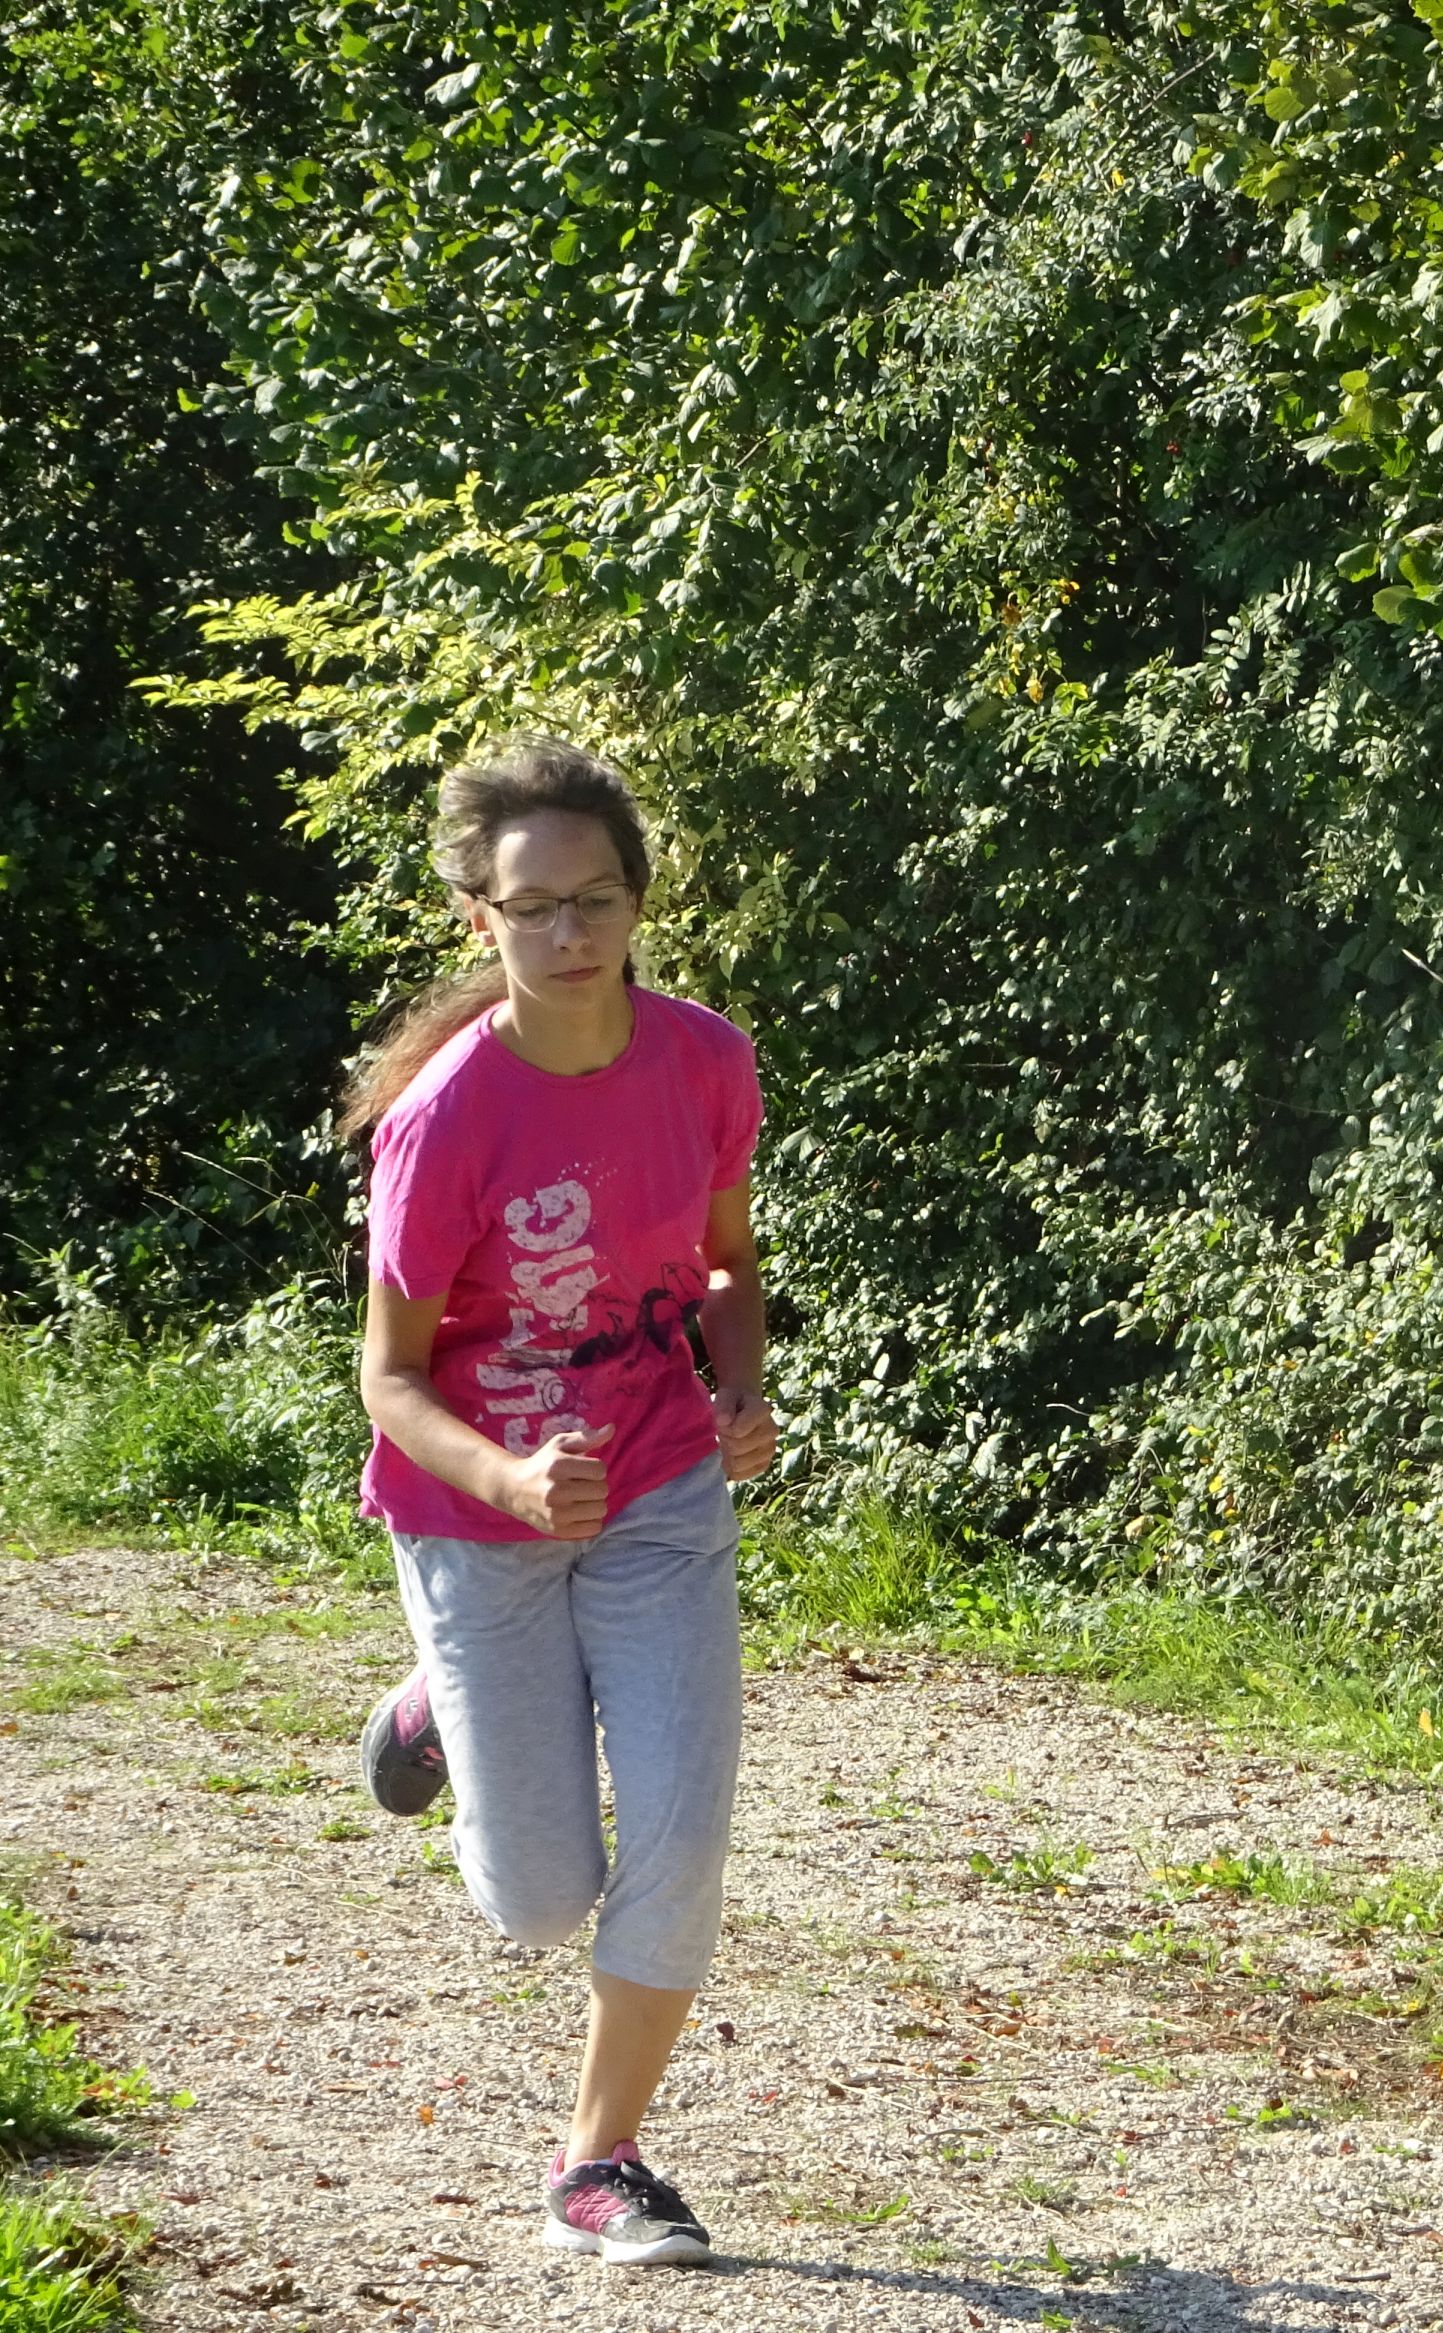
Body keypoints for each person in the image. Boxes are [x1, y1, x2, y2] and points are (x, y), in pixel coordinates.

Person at [343, 736, 774, 2268]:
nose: (570, 933)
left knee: (678, 1837)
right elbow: (390, 1378)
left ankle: (599, 2159)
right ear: (482, 919)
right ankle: (438, 1705)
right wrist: (514, 1476)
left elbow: (726, 1264)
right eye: (533, 908)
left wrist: (739, 1386)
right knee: (536, 1898)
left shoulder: (705, 1062)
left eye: (595, 898)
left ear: (638, 900)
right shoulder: (445, 1120)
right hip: (477, 1513)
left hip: (658, 1484)